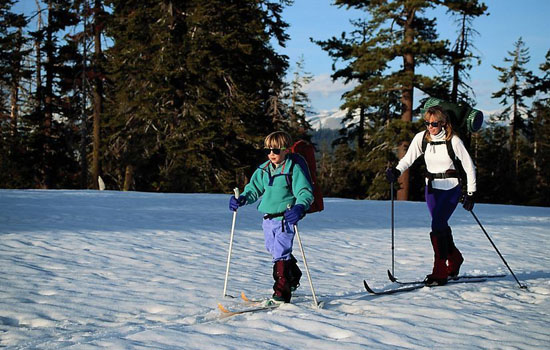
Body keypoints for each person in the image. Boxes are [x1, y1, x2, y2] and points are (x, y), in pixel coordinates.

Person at [386, 106, 477, 286]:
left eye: (434, 123)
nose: (430, 127)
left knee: (437, 224)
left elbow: (469, 166)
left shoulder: (454, 141)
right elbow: (408, 158)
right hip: (431, 189)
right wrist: (396, 171)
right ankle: (455, 258)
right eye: (427, 123)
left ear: (443, 123)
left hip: (451, 188)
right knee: (439, 226)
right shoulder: (422, 138)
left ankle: (440, 271)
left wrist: (471, 192)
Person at [229, 131, 314, 303]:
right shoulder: (264, 169)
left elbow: (304, 192)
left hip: (286, 218)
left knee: (280, 253)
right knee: (273, 249)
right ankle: (294, 275)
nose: (271, 154)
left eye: (275, 150)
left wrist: (299, 207)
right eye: (267, 150)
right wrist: (243, 198)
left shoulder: (293, 169)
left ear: (285, 150)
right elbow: (253, 189)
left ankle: (281, 291)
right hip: (268, 218)